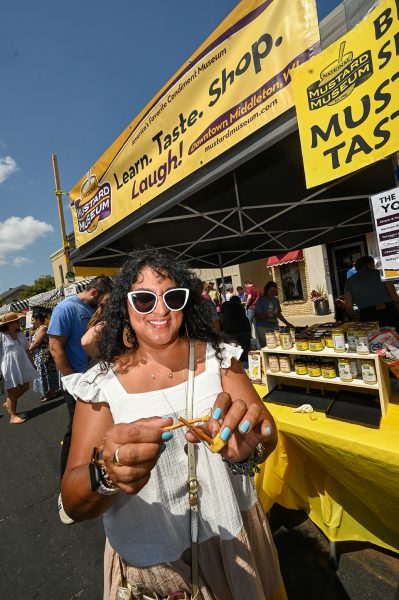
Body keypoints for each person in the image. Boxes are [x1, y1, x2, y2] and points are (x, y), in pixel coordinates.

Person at [61, 248, 286, 600]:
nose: (161, 310)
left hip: (233, 539)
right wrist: (108, 473)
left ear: (186, 302)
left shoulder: (220, 359)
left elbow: (266, 434)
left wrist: (251, 448)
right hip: (153, 561)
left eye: (172, 297)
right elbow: (73, 501)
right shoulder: (100, 386)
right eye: (144, 299)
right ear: (124, 305)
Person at [48, 275, 113, 523]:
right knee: (74, 432)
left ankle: (92, 480)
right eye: (103, 301)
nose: (102, 307)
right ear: (95, 292)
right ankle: (66, 489)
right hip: (77, 384)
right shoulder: (65, 309)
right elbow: (56, 348)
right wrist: (72, 381)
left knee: (96, 433)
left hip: (98, 381)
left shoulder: (95, 310)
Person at [0, 312, 38, 424]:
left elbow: (27, 349)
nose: (18, 323)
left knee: (25, 386)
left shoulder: (20, 334)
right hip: (8, 366)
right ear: (9, 324)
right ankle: (13, 416)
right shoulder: (1, 336)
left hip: (22, 364)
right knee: (12, 391)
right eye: (16, 321)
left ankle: (9, 403)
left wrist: (32, 363)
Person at [344, 255, 399, 327]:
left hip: (366, 316)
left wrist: (356, 320)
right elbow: (395, 299)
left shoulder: (349, 282)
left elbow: (348, 307)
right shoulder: (382, 274)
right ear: (370, 264)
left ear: (357, 268)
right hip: (387, 313)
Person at [29, 311, 61, 402]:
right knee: (42, 373)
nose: (31, 322)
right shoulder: (38, 329)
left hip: (44, 354)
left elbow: (37, 342)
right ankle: (47, 392)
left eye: (33, 320)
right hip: (39, 355)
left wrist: (28, 350)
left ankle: (51, 393)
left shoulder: (43, 328)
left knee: (46, 373)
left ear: (38, 320)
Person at [255, 282, 294, 348]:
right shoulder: (260, 301)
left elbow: (278, 313)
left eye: (275, 291)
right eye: (271, 291)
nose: (273, 293)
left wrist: (287, 323)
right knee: (266, 347)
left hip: (275, 327)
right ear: (267, 290)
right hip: (263, 329)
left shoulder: (276, 300)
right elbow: (257, 317)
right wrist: (266, 314)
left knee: (277, 346)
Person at [220, 296, 251, 362]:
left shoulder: (225, 305)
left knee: (233, 354)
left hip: (231, 331)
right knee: (245, 351)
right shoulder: (241, 307)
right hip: (245, 330)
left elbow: (222, 318)